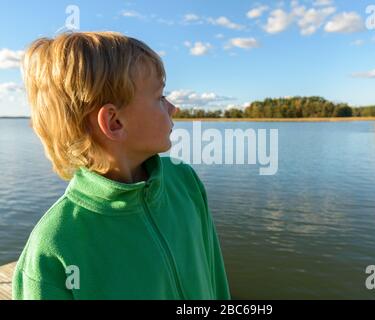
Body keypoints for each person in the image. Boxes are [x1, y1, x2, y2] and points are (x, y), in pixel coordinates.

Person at [12, 31, 231, 300]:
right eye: (160, 96)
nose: (172, 107)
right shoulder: (54, 247)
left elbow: (216, 278)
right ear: (114, 122)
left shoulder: (185, 183)